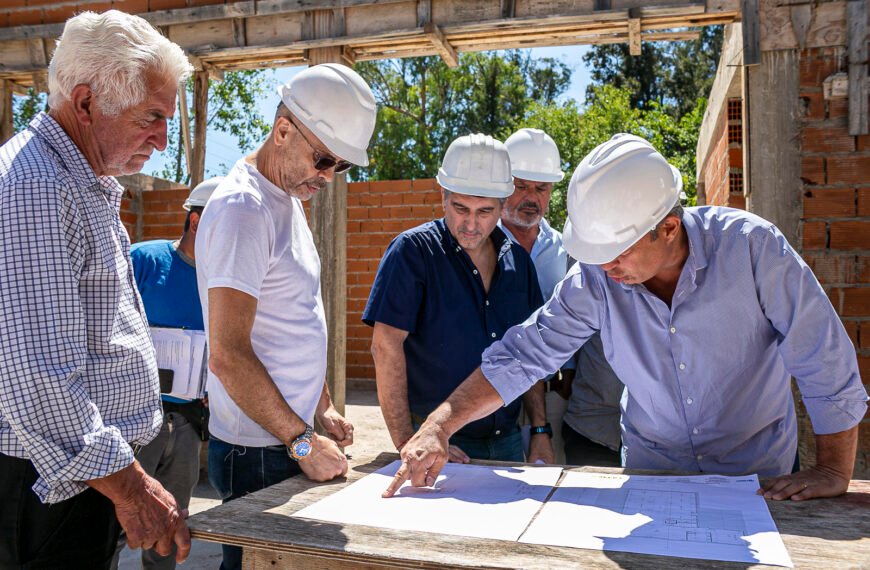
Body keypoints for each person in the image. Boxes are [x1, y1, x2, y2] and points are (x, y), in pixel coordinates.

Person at [385, 133, 868, 502]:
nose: (604, 267)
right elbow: (526, 353)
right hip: (650, 470)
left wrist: (832, 470)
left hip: (756, 473)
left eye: (614, 253)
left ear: (669, 229)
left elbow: (823, 358)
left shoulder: (753, 248)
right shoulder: (599, 276)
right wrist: (439, 426)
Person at [0, 10, 193, 569]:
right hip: (50, 484)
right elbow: (37, 375)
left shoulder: (80, 182)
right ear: (84, 103)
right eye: (151, 117)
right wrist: (133, 490)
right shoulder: (37, 187)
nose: (161, 140)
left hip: (79, 480)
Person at [196, 63, 375, 570]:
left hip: (285, 439)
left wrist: (320, 406)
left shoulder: (286, 200)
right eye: (323, 159)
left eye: (339, 166)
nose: (327, 176)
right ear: (282, 131)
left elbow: (294, 317)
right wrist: (300, 442)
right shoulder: (243, 211)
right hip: (260, 450)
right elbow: (228, 356)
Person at [365, 133, 546, 463]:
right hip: (435, 442)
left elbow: (529, 352)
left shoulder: (519, 262)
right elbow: (385, 345)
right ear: (443, 197)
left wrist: (539, 429)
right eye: (461, 208)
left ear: (504, 205)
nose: (472, 225)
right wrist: (409, 441)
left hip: (506, 442)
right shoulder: (412, 253)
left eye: (485, 211)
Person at [111, 177, 221, 570]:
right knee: (112, 527)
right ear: (195, 222)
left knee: (170, 527)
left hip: (188, 425)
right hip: (138, 422)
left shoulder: (221, 282)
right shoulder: (144, 260)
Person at [501, 127, 622, 466]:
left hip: (554, 396)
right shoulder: (479, 244)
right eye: (521, 186)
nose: (531, 197)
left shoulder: (566, 248)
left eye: (541, 188)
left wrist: (568, 378)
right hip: (498, 393)